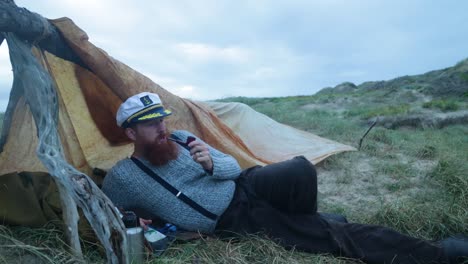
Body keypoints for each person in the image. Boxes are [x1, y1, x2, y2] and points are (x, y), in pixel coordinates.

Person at [102, 92, 468, 264]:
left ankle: (301, 221)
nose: (163, 129)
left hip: (245, 184)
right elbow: (107, 211)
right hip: (234, 218)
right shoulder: (124, 177)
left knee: (300, 168)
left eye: (162, 120)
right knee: (335, 236)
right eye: (151, 125)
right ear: (131, 134)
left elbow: (232, 167)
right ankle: (438, 255)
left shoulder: (183, 140)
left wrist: (212, 165)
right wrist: (132, 220)